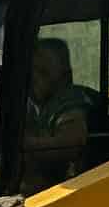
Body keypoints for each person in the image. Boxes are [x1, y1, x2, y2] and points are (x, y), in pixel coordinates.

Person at [21, 37, 93, 193]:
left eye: (43, 72)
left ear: (65, 76)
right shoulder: (33, 103)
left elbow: (70, 144)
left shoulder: (70, 101)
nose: (34, 78)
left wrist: (21, 145)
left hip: (67, 189)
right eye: (32, 71)